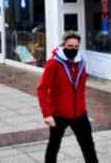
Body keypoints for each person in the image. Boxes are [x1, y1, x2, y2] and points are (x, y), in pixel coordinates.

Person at [37, 30, 98, 163]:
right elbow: (42, 88)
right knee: (54, 145)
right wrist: (47, 114)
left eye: (76, 47)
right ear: (64, 45)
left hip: (80, 114)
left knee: (88, 146)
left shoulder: (81, 62)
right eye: (70, 46)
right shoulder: (53, 63)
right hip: (59, 114)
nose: (73, 49)